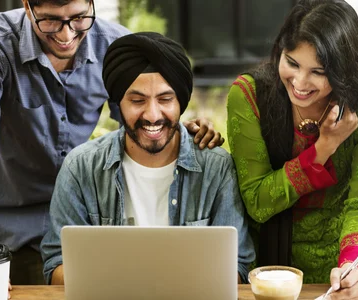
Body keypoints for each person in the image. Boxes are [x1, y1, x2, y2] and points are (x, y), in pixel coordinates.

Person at [0, 0, 222, 291]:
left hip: (85, 223)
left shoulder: (114, 46)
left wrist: (178, 128)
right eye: (50, 20)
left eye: (78, 18)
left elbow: (138, 121)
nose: (66, 34)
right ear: (27, 6)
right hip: (13, 230)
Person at [40, 32, 255, 285]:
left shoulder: (216, 169)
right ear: (119, 103)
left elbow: (238, 269)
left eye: (165, 99)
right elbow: (56, 267)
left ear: (181, 103)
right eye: (137, 100)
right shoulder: (81, 168)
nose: (153, 115)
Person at [226, 0, 358, 298]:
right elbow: (257, 201)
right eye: (291, 63)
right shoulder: (249, 96)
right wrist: (323, 148)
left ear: (345, 70)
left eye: (318, 72)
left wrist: (353, 265)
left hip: (341, 273)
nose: (300, 83)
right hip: (267, 272)